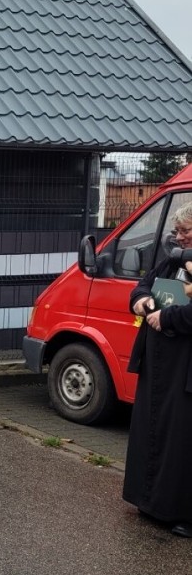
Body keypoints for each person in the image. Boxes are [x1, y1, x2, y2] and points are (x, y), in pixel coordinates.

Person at [123, 203, 192, 538]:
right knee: (152, 428)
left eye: (186, 232)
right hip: (159, 361)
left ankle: (181, 512)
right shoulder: (174, 258)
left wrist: (167, 318)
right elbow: (143, 285)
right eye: (177, 232)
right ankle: (149, 500)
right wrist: (140, 301)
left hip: (186, 366)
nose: (179, 238)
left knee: (182, 439)